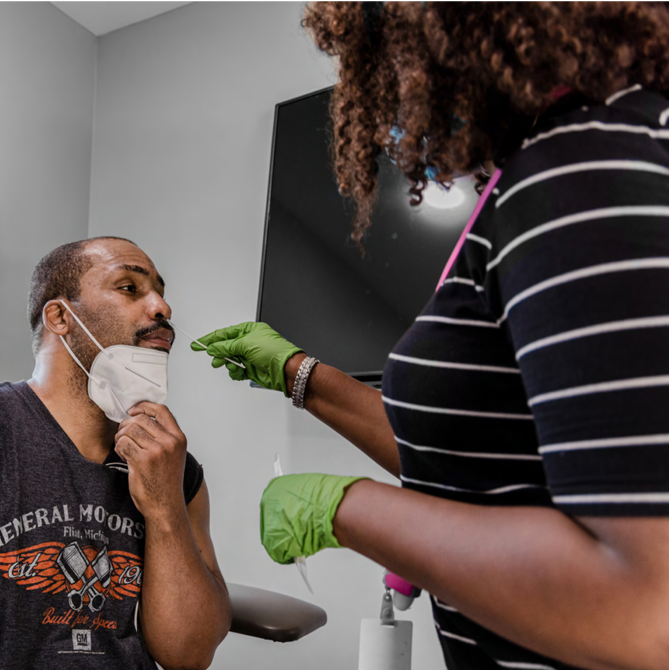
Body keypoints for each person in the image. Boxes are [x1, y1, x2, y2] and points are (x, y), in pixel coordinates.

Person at [192, 3, 669, 670]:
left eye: (378, 59)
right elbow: (476, 460)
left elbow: (649, 613)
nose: (381, 93)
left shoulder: (577, 169)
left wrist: (344, 509)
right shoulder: (572, 158)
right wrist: (301, 375)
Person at [0, 236, 231, 669]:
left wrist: (165, 508)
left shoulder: (175, 466)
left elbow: (188, 654)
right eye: (129, 287)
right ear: (61, 316)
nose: (162, 307)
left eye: (160, 292)